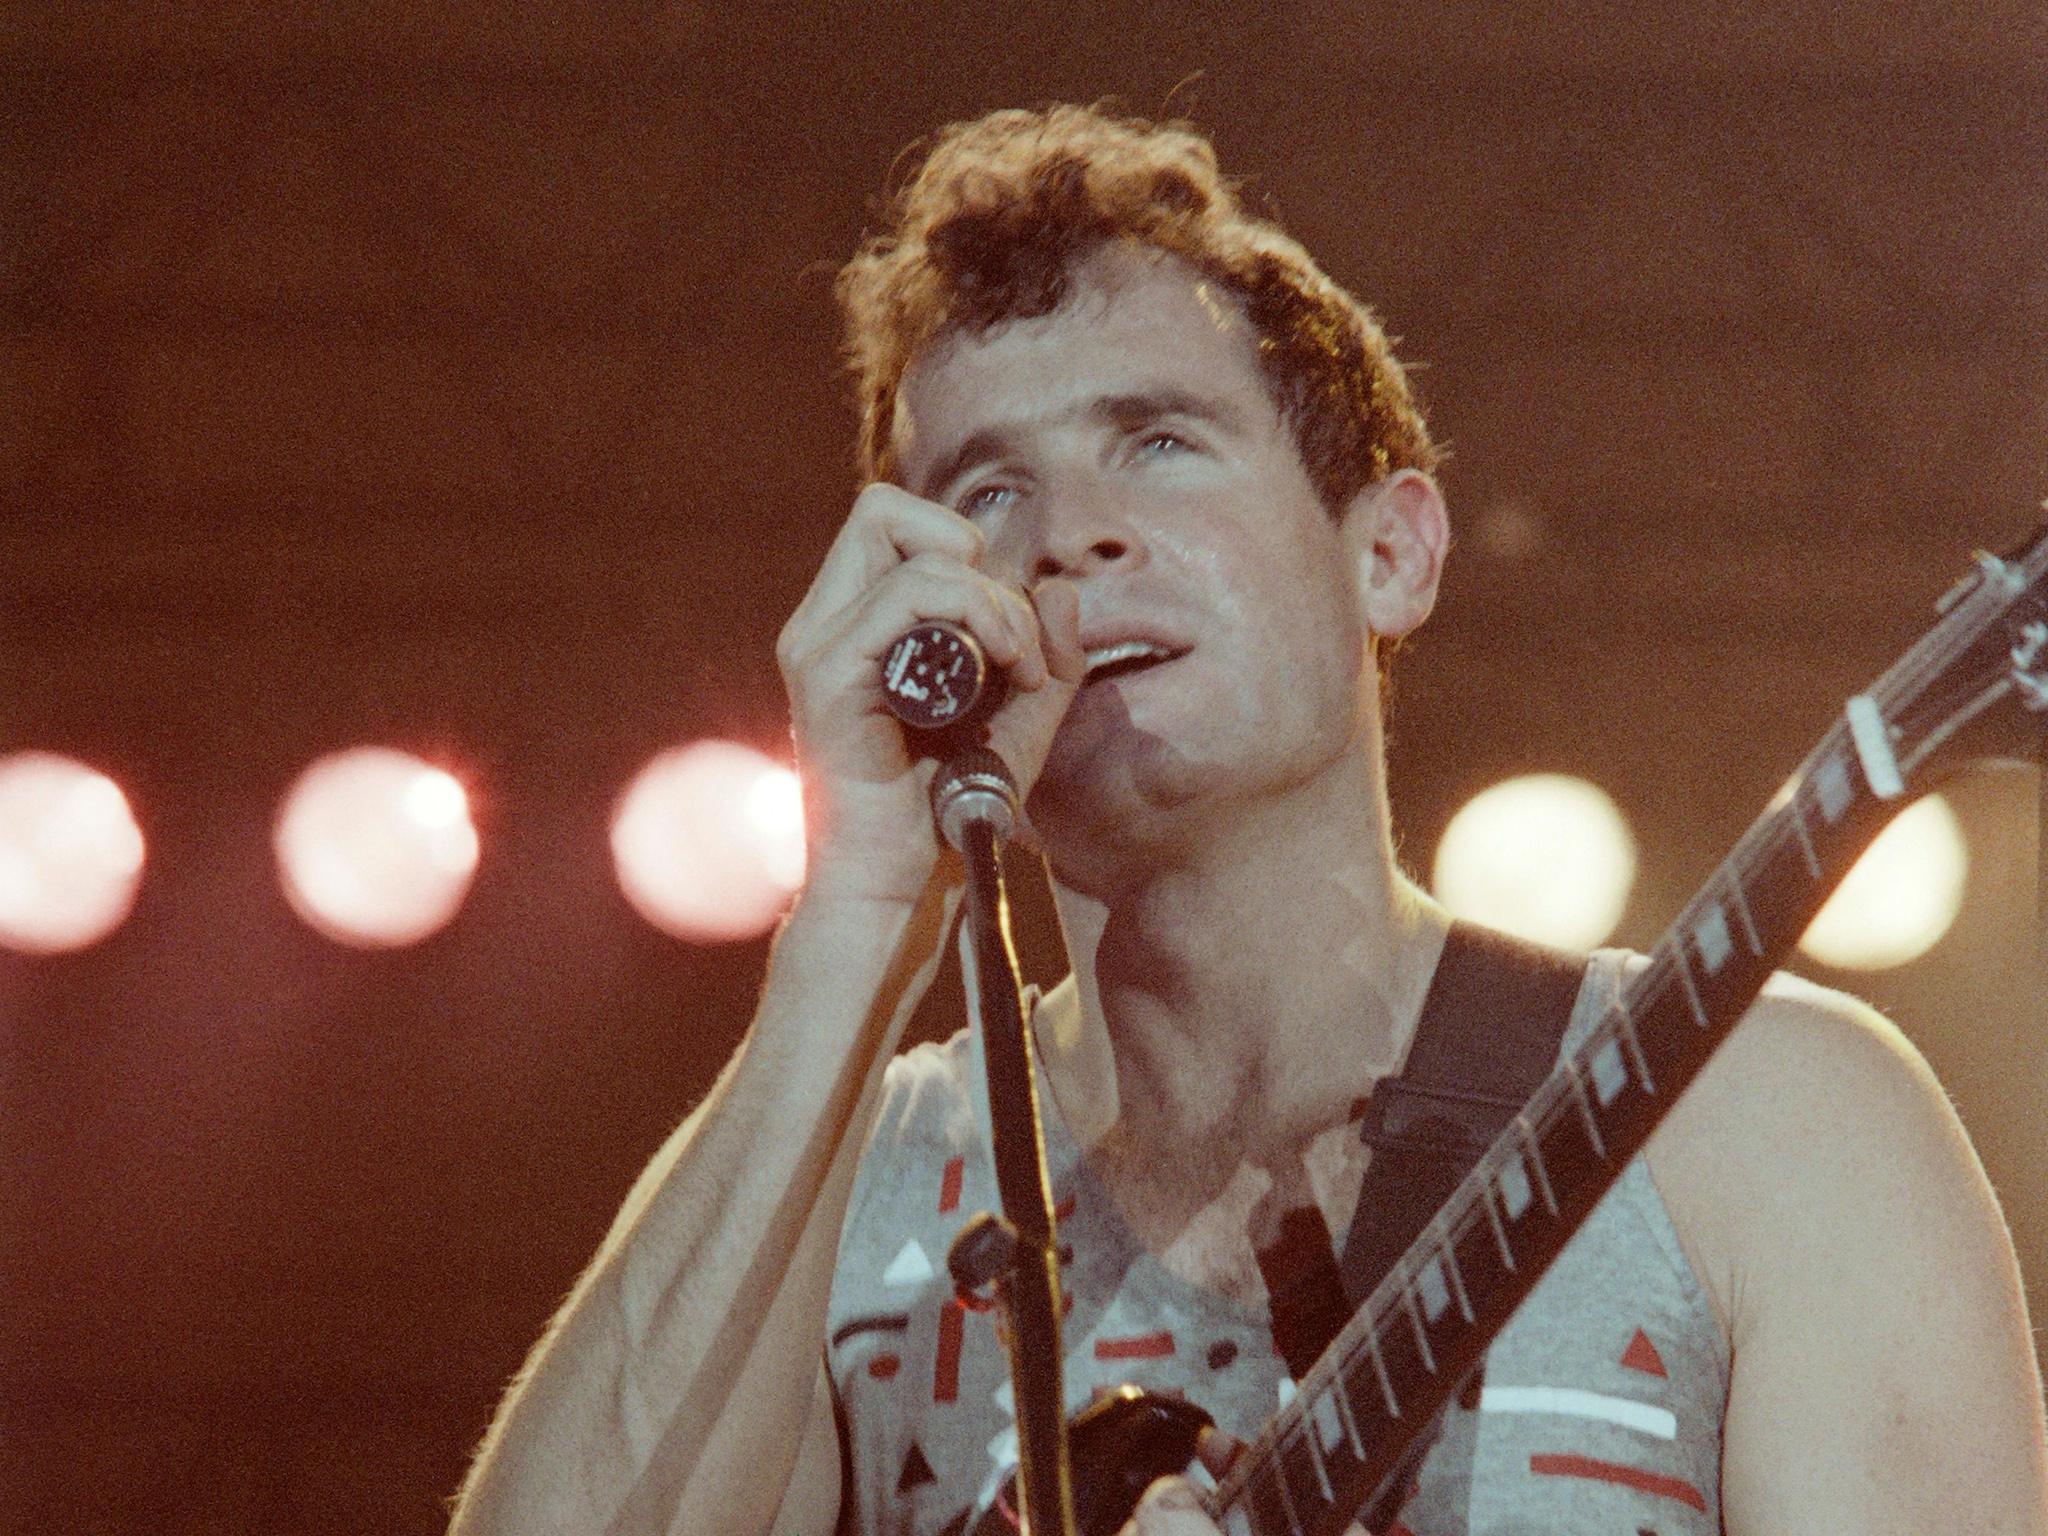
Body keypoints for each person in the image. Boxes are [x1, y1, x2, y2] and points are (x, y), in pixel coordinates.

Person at [447, 105, 2048, 1536]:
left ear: (1393, 554)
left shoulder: (1757, 1117)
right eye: (988, 494)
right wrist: (861, 907)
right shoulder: (848, 1187)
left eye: (1157, 441)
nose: (1071, 533)